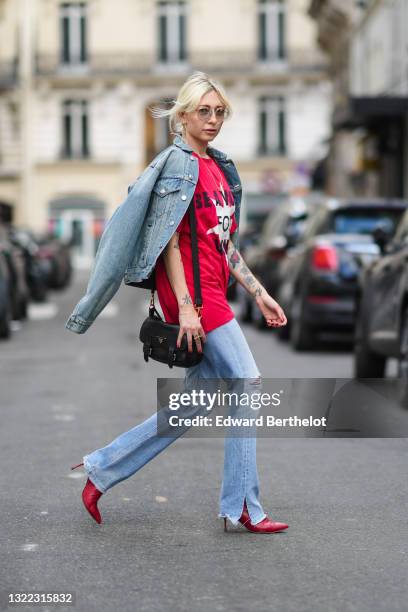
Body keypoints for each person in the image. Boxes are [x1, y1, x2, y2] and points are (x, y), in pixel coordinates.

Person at [68, 72, 289, 533]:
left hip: (215, 289)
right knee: (247, 382)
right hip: (194, 296)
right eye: (203, 111)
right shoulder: (178, 164)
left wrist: (260, 291)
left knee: (192, 404)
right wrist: (186, 307)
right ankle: (242, 507)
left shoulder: (220, 167)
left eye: (220, 112)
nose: (212, 120)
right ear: (183, 116)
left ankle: (101, 470)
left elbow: (222, 242)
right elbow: (167, 240)